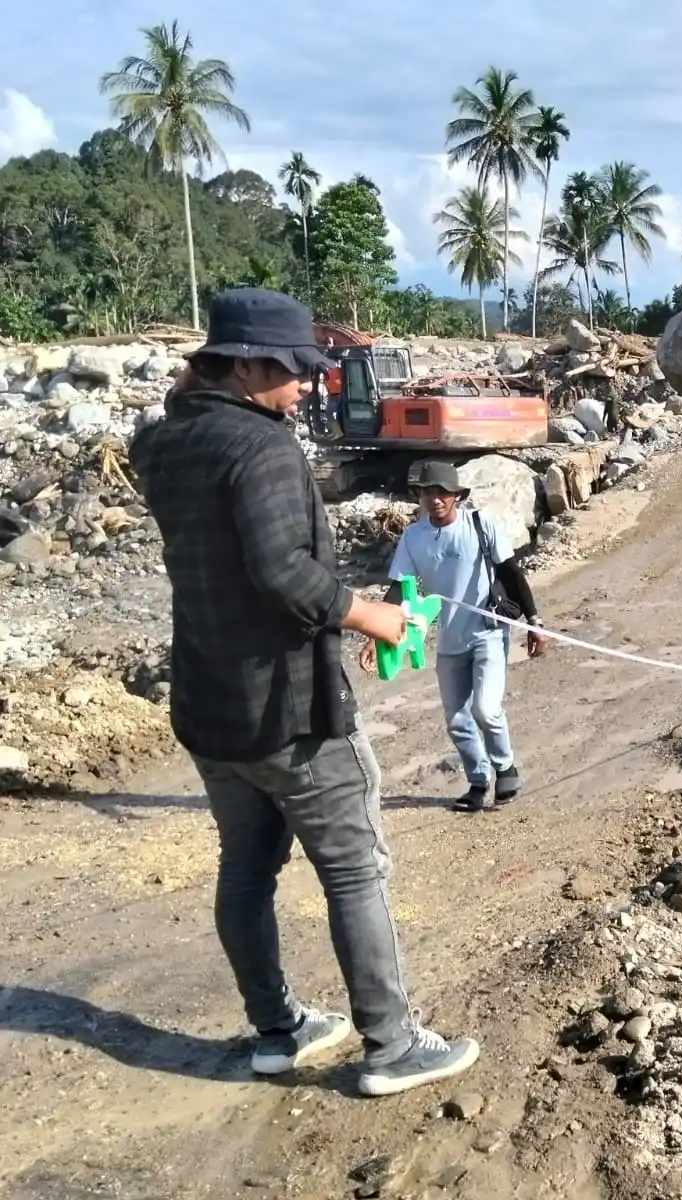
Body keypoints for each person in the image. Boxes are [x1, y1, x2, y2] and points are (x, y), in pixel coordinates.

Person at [128, 287, 479, 1097]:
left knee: (246, 867)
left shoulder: (164, 443)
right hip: (289, 707)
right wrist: (375, 617)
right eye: (294, 372)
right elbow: (285, 577)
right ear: (247, 365)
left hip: (209, 704)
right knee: (355, 867)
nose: (308, 387)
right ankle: (391, 1047)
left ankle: (279, 1031)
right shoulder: (261, 450)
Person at [360, 461, 547, 813]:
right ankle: (478, 782)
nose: (435, 500)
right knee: (457, 719)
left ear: (457, 496)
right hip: (448, 640)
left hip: (488, 632)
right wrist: (374, 633)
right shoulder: (414, 537)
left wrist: (534, 620)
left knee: (485, 709)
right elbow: (400, 589)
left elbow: (512, 572)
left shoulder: (480, 524)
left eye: (442, 493)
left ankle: (505, 767)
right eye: (427, 492)